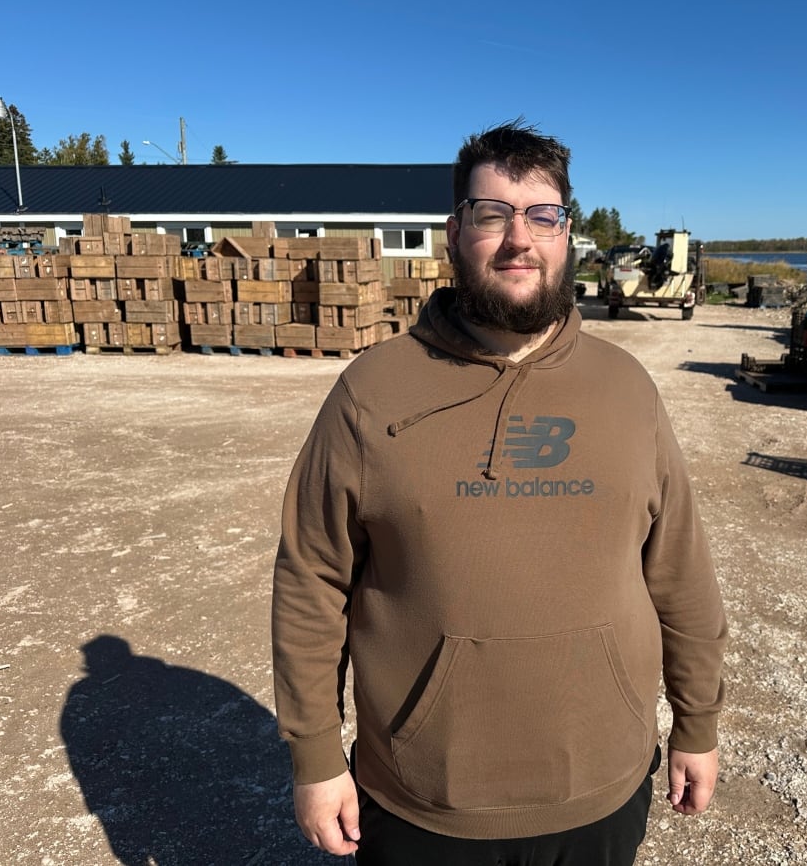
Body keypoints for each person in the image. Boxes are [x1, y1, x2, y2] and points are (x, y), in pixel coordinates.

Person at [272, 119, 728, 865]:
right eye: (493, 214)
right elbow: (310, 581)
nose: (520, 238)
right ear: (455, 231)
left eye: (542, 215)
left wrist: (698, 724)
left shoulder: (627, 390)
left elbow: (680, 571)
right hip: (427, 801)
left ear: (566, 234)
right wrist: (317, 757)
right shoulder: (373, 391)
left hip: (601, 788)